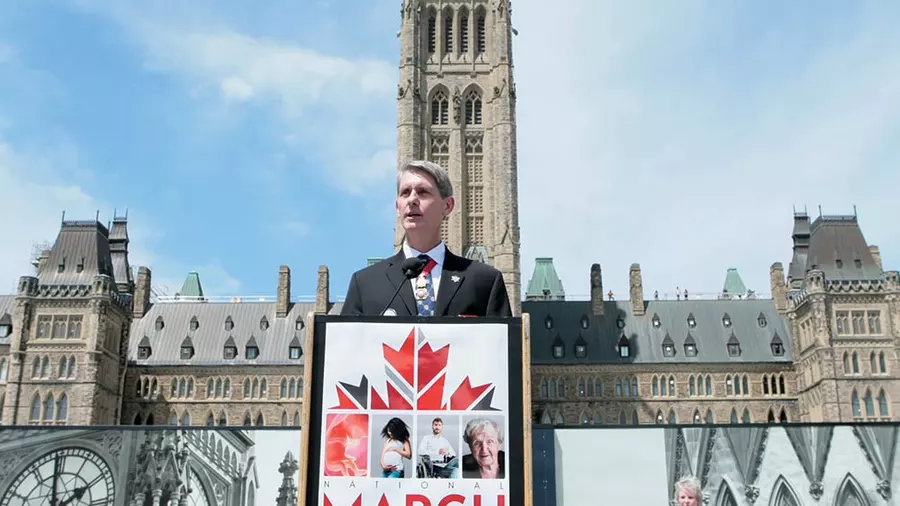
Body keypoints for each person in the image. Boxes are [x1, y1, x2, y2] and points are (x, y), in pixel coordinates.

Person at [341, 160, 512, 317]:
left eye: (422, 192)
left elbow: (503, 346)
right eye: (405, 192)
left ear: (447, 206)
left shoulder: (485, 280)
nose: (412, 200)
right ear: (397, 207)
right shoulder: (365, 283)